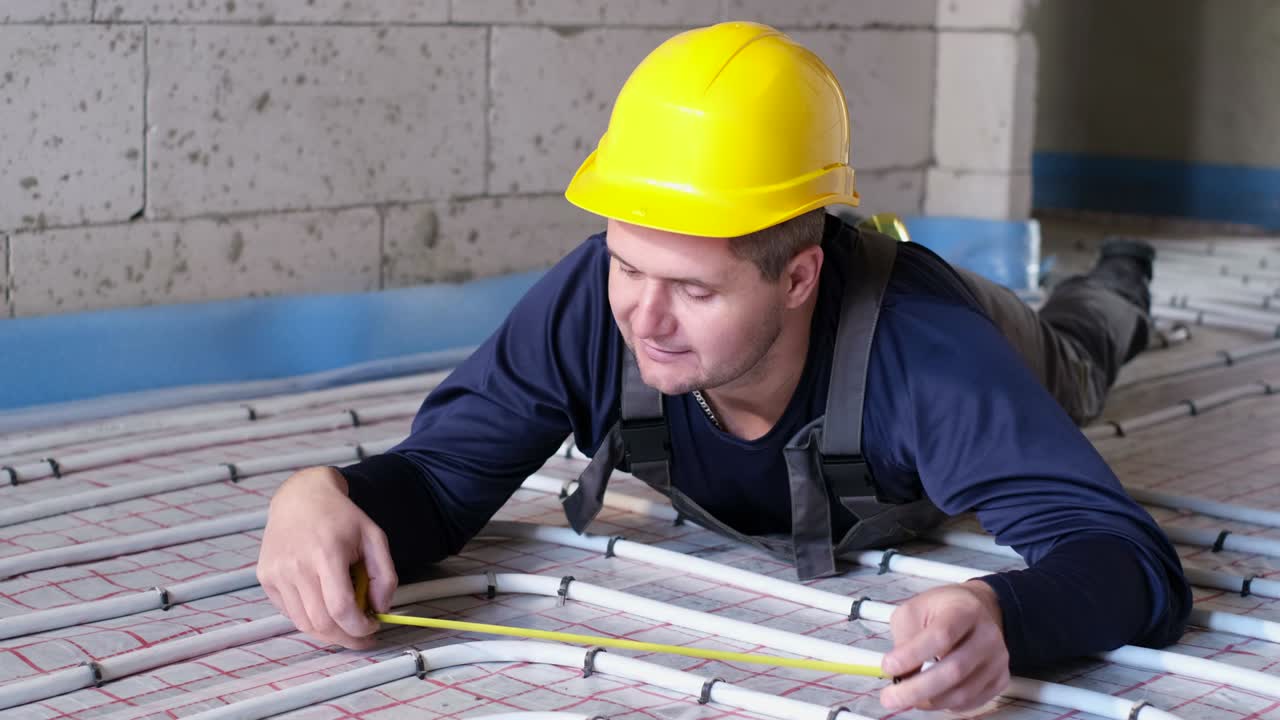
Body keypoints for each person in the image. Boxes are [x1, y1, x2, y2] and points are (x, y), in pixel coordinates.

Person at [257, 21, 1190, 713]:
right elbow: (438, 479)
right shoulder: (596, 301)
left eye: (693, 290)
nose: (642, 317)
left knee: (1085, 345)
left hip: (1003, 341)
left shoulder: (926, 356)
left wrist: (1006, 615)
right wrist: (328, 493)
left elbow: (1128, 558)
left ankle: (1119, 275)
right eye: (628, 264)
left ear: (800, 275)